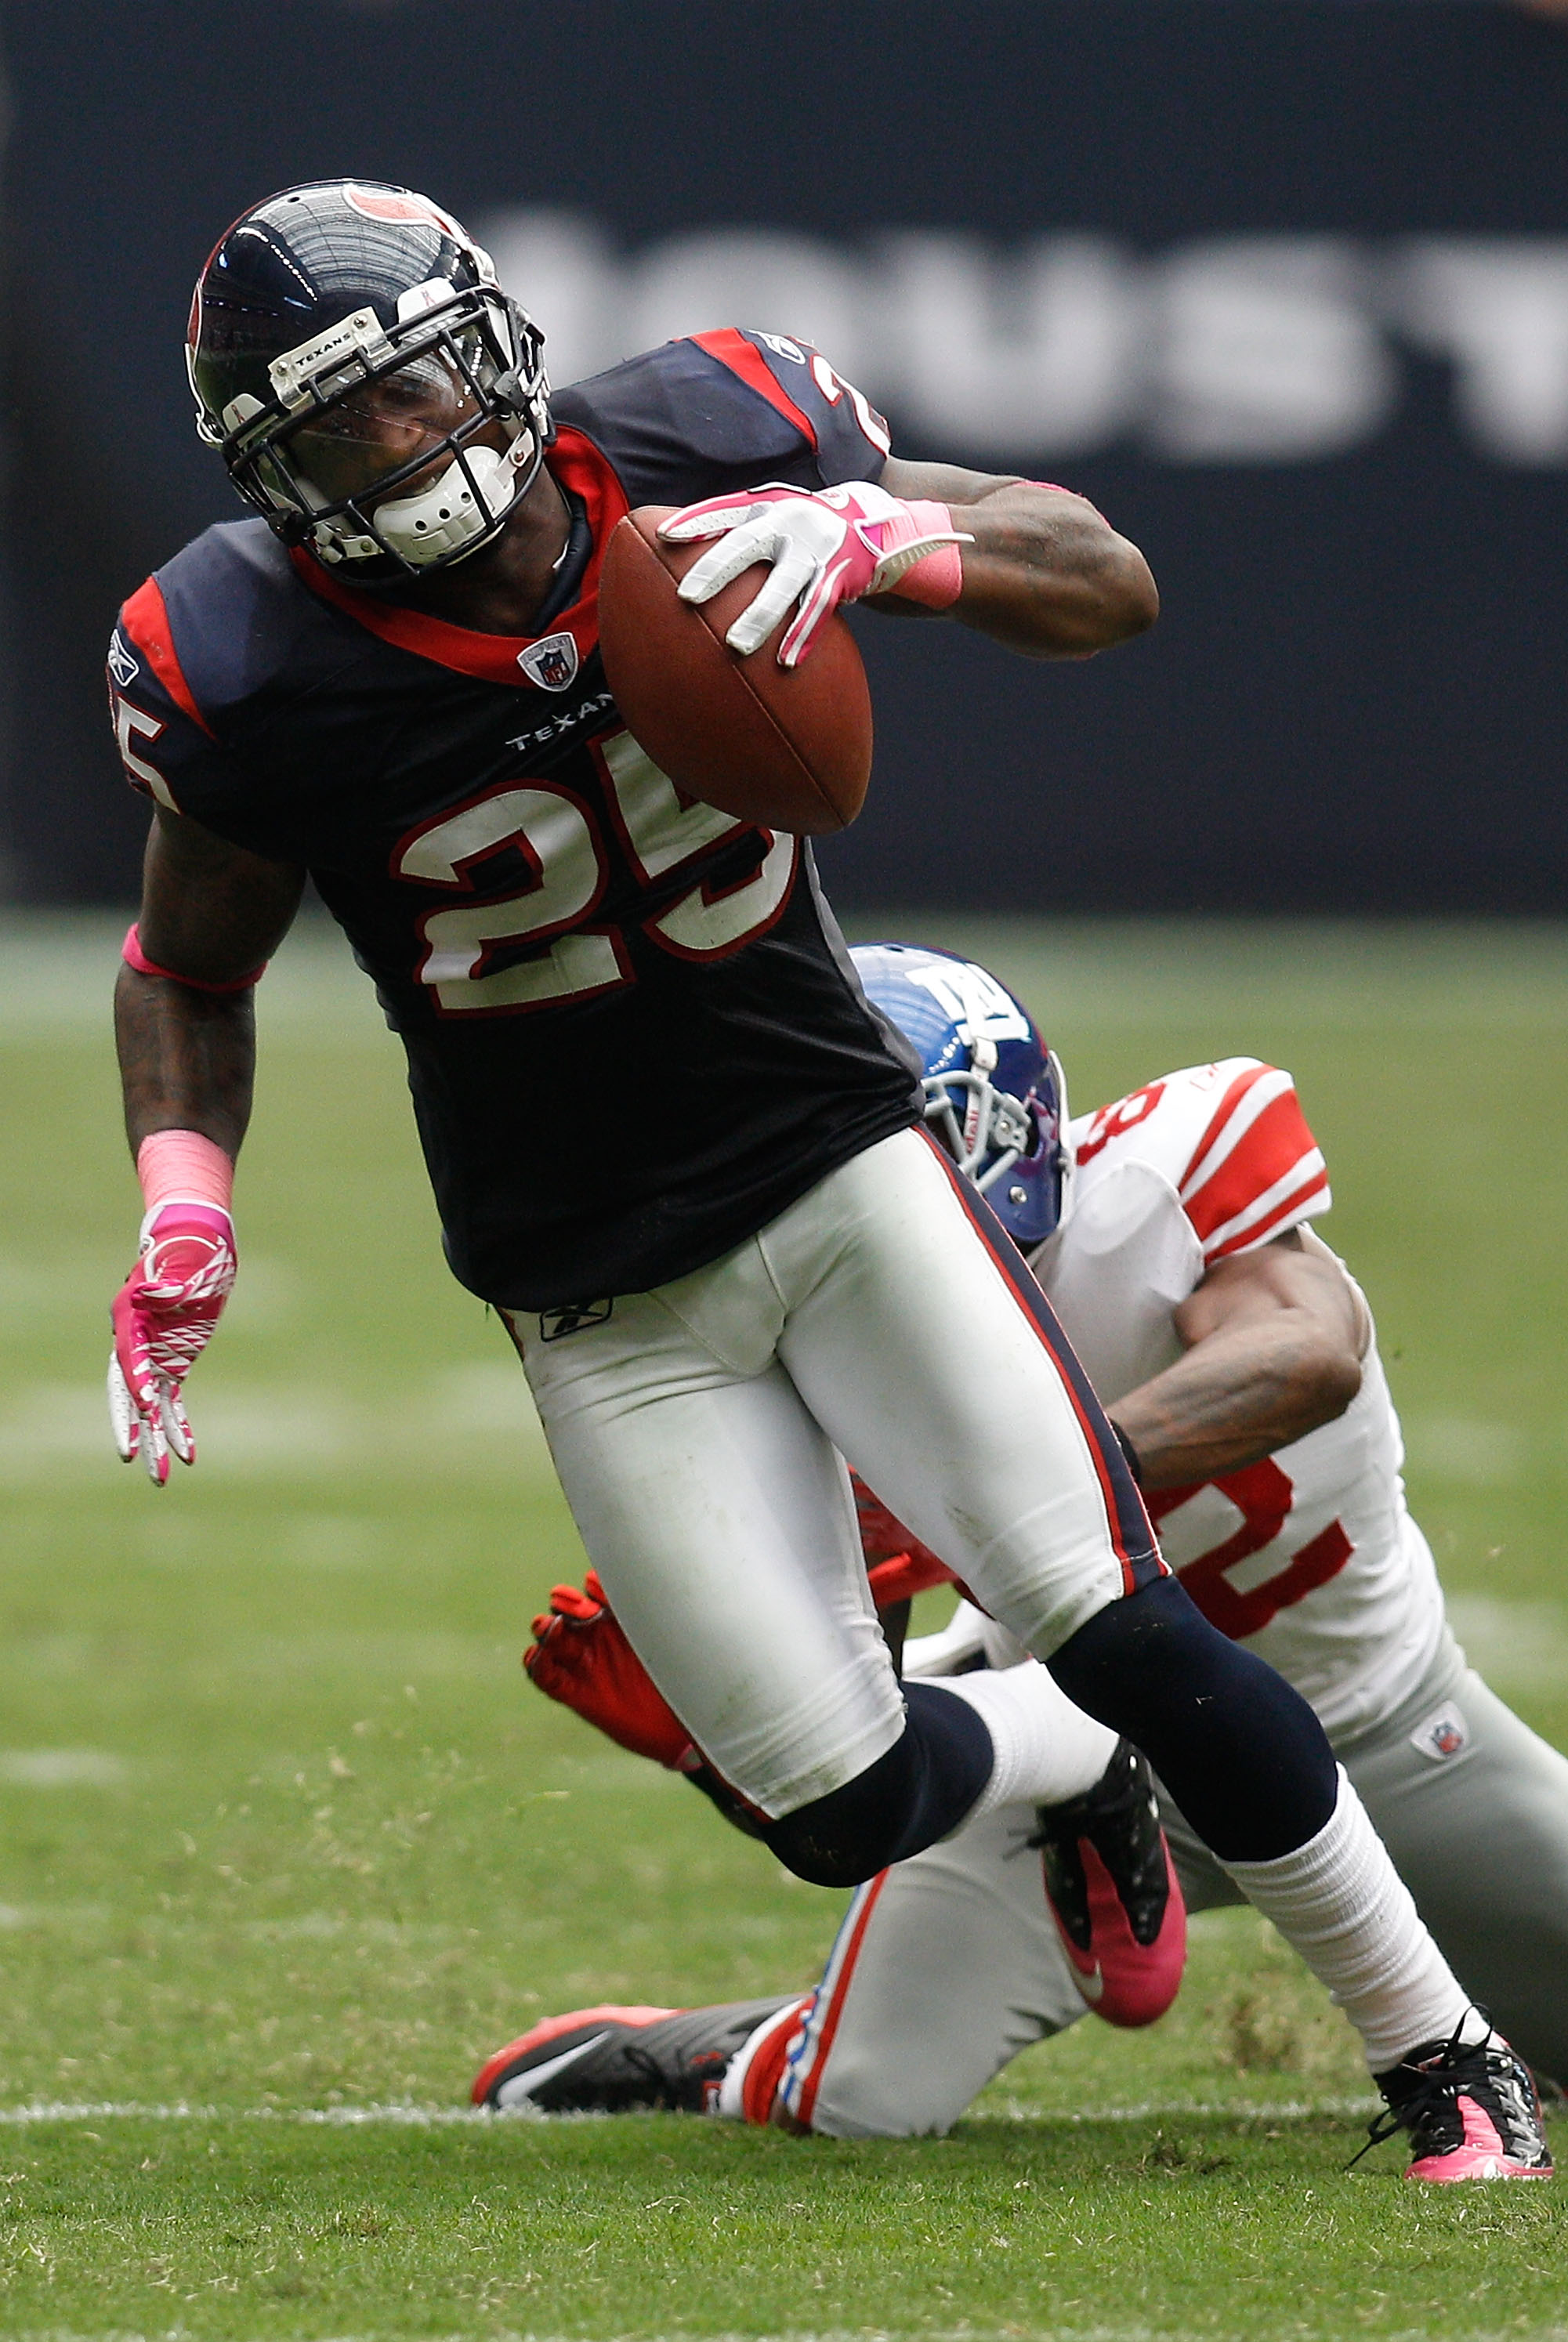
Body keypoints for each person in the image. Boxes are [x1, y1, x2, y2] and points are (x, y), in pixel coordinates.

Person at [105, 179, 1545, 2181]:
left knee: (1111, 1607)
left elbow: (1104, 574)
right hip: (594, 1289)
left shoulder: (703, 429)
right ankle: (1075, 1785)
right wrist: (188, 1195)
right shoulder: (235, 650)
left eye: (417, 392)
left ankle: (1441, 2063)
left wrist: (893, 542)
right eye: (331, 435)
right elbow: (187, 965)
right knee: (830, 1802)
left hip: (837, 1154)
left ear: (495, 349)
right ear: (265, 472)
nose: (400, 451)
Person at [478, 944, 1568, 2163]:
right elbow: (862, 1770)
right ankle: (718, 2044)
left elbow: (1305, 1358)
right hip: (1071, 1756)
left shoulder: (1163, 1179)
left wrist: (1020, 1482)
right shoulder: (818, 1351)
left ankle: (1457, 2046)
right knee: (861, 2098)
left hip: (1396, 1735)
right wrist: (715, 1746)